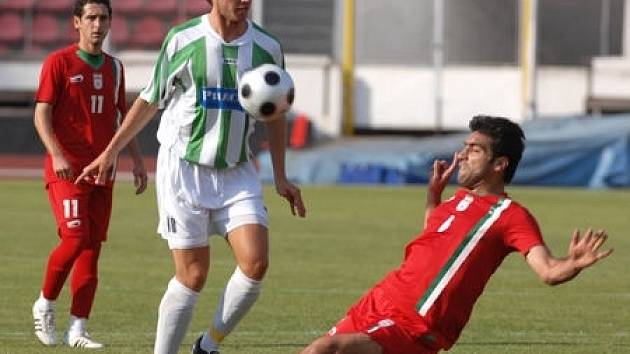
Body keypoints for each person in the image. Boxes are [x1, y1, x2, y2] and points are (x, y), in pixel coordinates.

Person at [76, 0, 307, 353]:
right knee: (193, 275)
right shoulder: (183, 40)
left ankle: (207, 346)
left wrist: (281, 176)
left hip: (236, 170)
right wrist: (111, 152)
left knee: (256, 263)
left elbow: (275, 114)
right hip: (183, 170)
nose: (245, 1)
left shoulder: (267, 47)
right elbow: (151, 100)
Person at [301, 115, 613, 354]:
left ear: (499, 164)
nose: (462, 155)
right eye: (464, 147)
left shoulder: (510, 216)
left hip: (414, 324)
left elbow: (547, 271)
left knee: (324, 350)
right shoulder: (457, 199)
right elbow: (432, 237)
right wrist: (433, 196)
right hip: (379, 301)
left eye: (474, 150)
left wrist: (572, 263)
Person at [31, 0, 148, 349]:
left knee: (92, 250)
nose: (98, 24)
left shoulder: (115, 67)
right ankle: (45, 303)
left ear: (111, 23)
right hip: (67, 169)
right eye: (91, 18)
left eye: (104, 18)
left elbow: (122, 120)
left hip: (103, 172)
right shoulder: (59, 62)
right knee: (75, 239)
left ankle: (77, 329)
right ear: (76, 23)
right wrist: (56, 153)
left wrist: (137, 161)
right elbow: (41, 115)